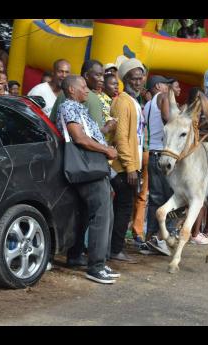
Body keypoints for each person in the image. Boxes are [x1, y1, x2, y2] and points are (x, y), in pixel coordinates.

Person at [56, 75, 118, 284]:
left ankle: (76, 256)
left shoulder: (77, 108)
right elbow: (80, 138)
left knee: (84, 213)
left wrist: (105, 132)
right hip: (89, 168)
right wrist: (107, 150)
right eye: (82, 87)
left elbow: (88, 134)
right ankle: (96, 266)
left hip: (92, 166)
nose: (87, 90)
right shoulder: (69, 107)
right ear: (71, 90)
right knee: (102, 214)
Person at [109, 58, 146, 262]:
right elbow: (120, 137)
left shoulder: (134, 102)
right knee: (123, 210)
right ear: (125, 79)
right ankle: (115, 249)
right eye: (134, 78)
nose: (138, 82)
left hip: (132, 166)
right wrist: (131, 167)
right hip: (124, 168)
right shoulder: (123, 102)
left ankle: (114, 247)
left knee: (123, 209)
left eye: (141, 78)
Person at [142, 75, 181, 248]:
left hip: (152, 154)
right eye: (166, 84)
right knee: (175, 198)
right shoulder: (164, 97)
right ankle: (163, 236)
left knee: (156, 200)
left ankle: (149, 238)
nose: (169, 87)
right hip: (165, 155)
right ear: (158, 86)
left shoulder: (148, 104)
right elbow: (168, 118)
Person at [50, 60, 105, 129]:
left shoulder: (63, 92)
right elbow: (97, 132)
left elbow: (52, 122)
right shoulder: (94, 100)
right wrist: (109, 126)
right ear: (87, 75)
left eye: (103, 76)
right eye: (98, 75)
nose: (102, 79)